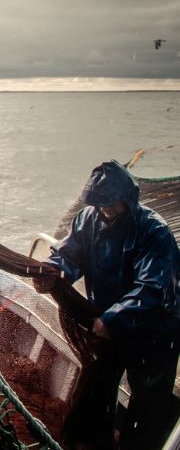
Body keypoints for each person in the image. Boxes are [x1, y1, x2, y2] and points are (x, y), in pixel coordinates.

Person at [34, 160, 180, 449]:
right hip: (109, 321)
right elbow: (69, 255)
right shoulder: (87, 219)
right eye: (100, 203)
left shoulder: (155, 232)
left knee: (148, 400)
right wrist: (55, 270)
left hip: (156, 330)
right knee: (99, 386)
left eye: (113, 202)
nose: (107, 209)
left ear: (128, 198)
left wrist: (113, 319)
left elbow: (152, 288)